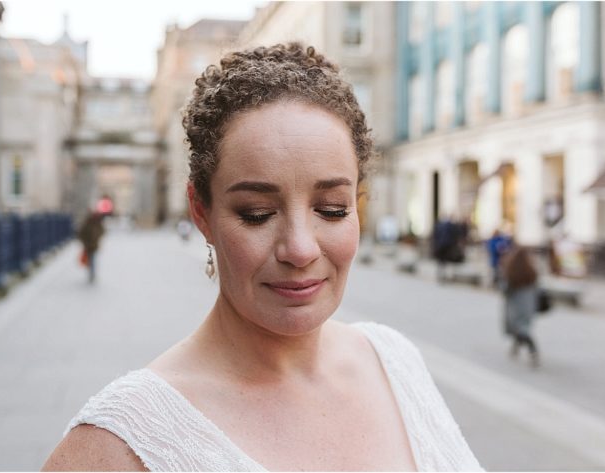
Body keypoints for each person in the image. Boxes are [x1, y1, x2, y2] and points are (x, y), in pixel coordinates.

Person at [43, 43, 480, 472]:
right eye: (257, 214)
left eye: (332, 209)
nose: (300, 248)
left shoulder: (395, 360)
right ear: (201, 212)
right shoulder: (118, 447)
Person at [500, 244, 541, 368]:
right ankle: (516, 348)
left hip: (515, 306)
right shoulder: (531, 270)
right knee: (523, 328)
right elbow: (537, 288)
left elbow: (505, 288)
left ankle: (532, 350)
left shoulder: (511, 270)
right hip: (528, 305)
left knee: (520, 329)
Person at [77, 211, 105, 284]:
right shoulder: (88, 224)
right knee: (91, 260)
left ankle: (92, 274)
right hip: (88, 246)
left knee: (92, 260)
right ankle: (91, 273)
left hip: (93, 246)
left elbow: (102, 232)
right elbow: (81, 234)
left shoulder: (97, 224)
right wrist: (85, 241)